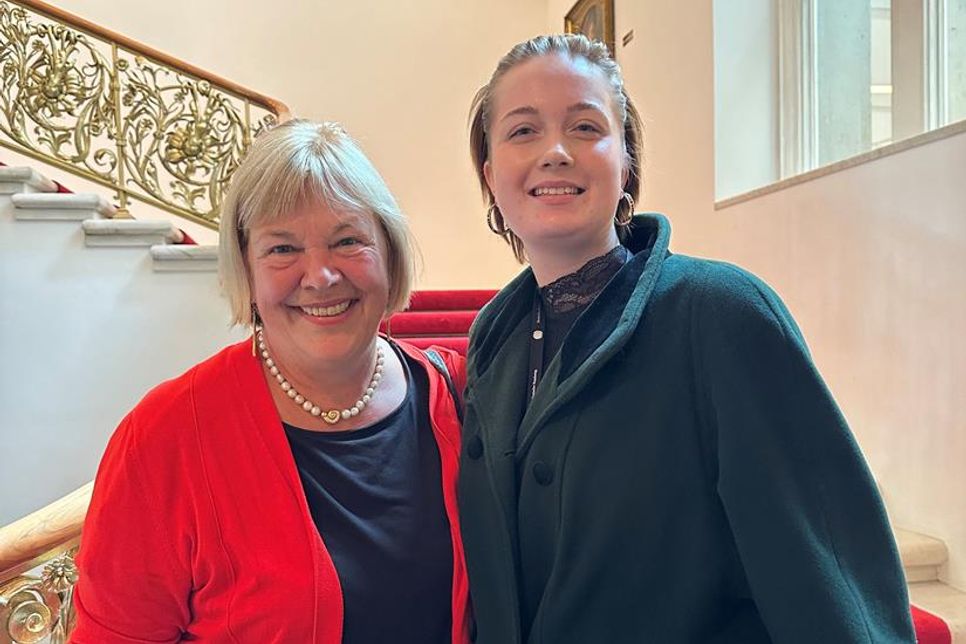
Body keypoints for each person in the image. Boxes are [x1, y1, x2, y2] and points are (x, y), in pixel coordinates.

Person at [457, 34, 915, 643]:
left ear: (627, 165)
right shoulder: (492, 338)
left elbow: (826, 576)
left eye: (587, 127)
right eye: (522, 131)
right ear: (491, 175)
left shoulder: (721, 313)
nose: (557, 152)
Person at [72, 120, 470, 643]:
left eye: (347, 240)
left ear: (390, 254)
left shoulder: (458, 395)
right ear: (247, 271)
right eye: (283, 249)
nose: (320, 276)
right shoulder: (164, 436)